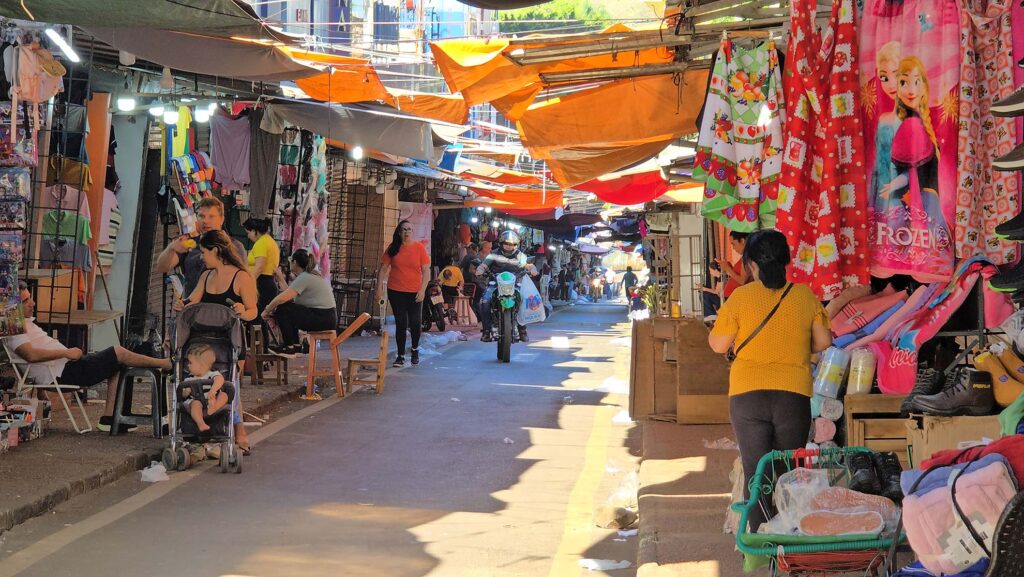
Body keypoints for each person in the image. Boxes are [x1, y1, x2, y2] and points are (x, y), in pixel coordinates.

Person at [707, 230, 832, 532]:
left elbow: (718, 345)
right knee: (786, 471)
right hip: (792, 395)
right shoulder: (804, 296)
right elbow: (823, 341)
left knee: (756, 474)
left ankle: (761, 547)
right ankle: (788, 544)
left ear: (750, 263)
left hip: (747, 395)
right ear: (787, 260)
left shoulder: (740, 297)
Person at [4, 282, 172, 433]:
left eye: (30, 298)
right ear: (14, 306)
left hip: (66, 367)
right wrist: (66, 353)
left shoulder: (25, 323)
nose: (32, 304)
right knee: (118, 352)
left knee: (118, 363)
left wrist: (43, 394)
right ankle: (163, 363)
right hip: (65, 371)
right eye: (26, 301)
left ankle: (110, 419)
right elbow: (31, 355)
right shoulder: (14, 328)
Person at [185, 230, 257, 454]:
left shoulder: (242, 277)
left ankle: (238, 431)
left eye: (204, 252)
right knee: (202, 386)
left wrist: (243, 311)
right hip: (204, 346)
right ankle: (206, 433)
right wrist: (182, 304)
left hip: (230, 343)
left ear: (215, 250)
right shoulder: (206, 276)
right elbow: (192, 301)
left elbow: (253, 310)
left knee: (229, 386)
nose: (201, 257)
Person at [156, 196, 248, 303]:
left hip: (221, 313)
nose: (206, 221)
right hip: (191, 311)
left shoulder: (235, 247)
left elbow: (245, 282)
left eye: (211, 216)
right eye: (202, 216)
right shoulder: (190, 244)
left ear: (221, 219)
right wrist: (171, 248)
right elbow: (162, 267)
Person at [262, 249, 338, 358]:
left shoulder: (305, 277)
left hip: (322, 318)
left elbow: (282, 299)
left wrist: (266, 310)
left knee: (283, 309)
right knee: (289, 309)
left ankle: (289, 347)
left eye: (290, 261)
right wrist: (279, 277)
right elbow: (289, 294)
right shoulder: (309, 276)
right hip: (326, 317)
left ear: (295, 262)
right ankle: (296, 347)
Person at [376, 220, 430, 368]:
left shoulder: (419, 248)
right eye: (404, 229)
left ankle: (414, 350)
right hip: (396, 291)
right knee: (401, 322)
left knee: (415, 322)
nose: (407, 232)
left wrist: (422, 290)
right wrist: (379, 288)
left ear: (412, 232)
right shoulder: (393, 248)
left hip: (415, 291)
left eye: (409, 229)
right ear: (399, 232)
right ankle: (400, 355)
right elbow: (383, 269)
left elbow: (426, 271)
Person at [475, 230, 538, 343]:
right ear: (501, 243)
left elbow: (527, 264)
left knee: (524, 300)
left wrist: (532, 268)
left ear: (516, 245)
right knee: (485, 301)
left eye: (512, 244)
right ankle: (486, 331)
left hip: (515, 284)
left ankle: (522, 330)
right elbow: (484, 265)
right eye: (507, 244)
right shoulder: (493, 254)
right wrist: (480, 269)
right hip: (495, 283)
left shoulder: (520, 255)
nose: (509, 246)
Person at [181, 344, 228, 433]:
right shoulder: (189, 379)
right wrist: (186, 392)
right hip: (197, 400)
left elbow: (220, 379)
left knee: (224, 395)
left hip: (212, 399)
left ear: (201, 365)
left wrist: (213, 390)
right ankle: (200, 423)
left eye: (190, 362)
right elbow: (182, 394)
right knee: (195, 404)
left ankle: (214, 408)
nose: (188, 365)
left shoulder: (212, 374)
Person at [243, 217, 283, 318]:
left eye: (248, 233)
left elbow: (260, 267)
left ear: (254, 231)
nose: (248, 236)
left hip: (262, 283)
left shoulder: (261, 243)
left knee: (255, 317)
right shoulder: (269, 241)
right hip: (267, 282)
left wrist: (248, 282)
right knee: (260, 319)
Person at [718, 231, 750, 299]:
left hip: (737, 297)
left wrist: (728, 269)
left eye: (733, 244)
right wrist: (729, 267)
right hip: (733, 296)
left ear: (742, 241)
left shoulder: (747, 257)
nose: (733, 248)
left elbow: (742, 281)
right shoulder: (745, 257)